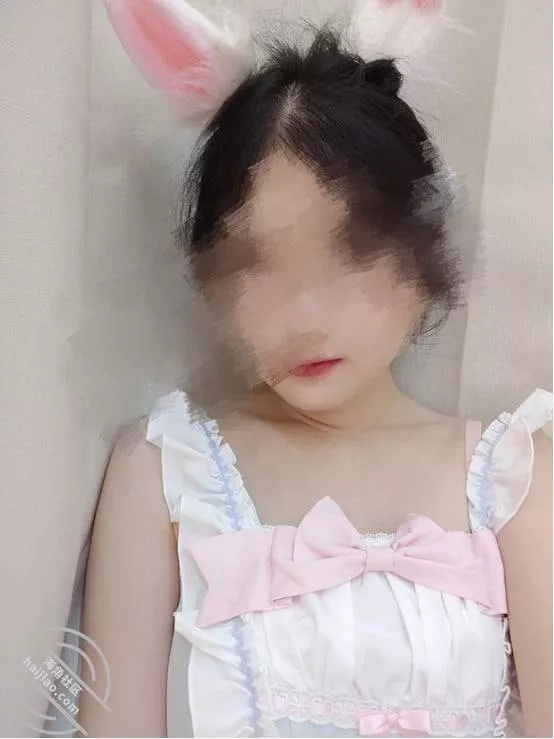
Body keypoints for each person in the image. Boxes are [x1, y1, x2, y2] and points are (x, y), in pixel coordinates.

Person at [79, 1, 553, 736]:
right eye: (257, 264)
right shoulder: (164, 469)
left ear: (424, 246)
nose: (303, 314)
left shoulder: (514, 476)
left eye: (349, 251)